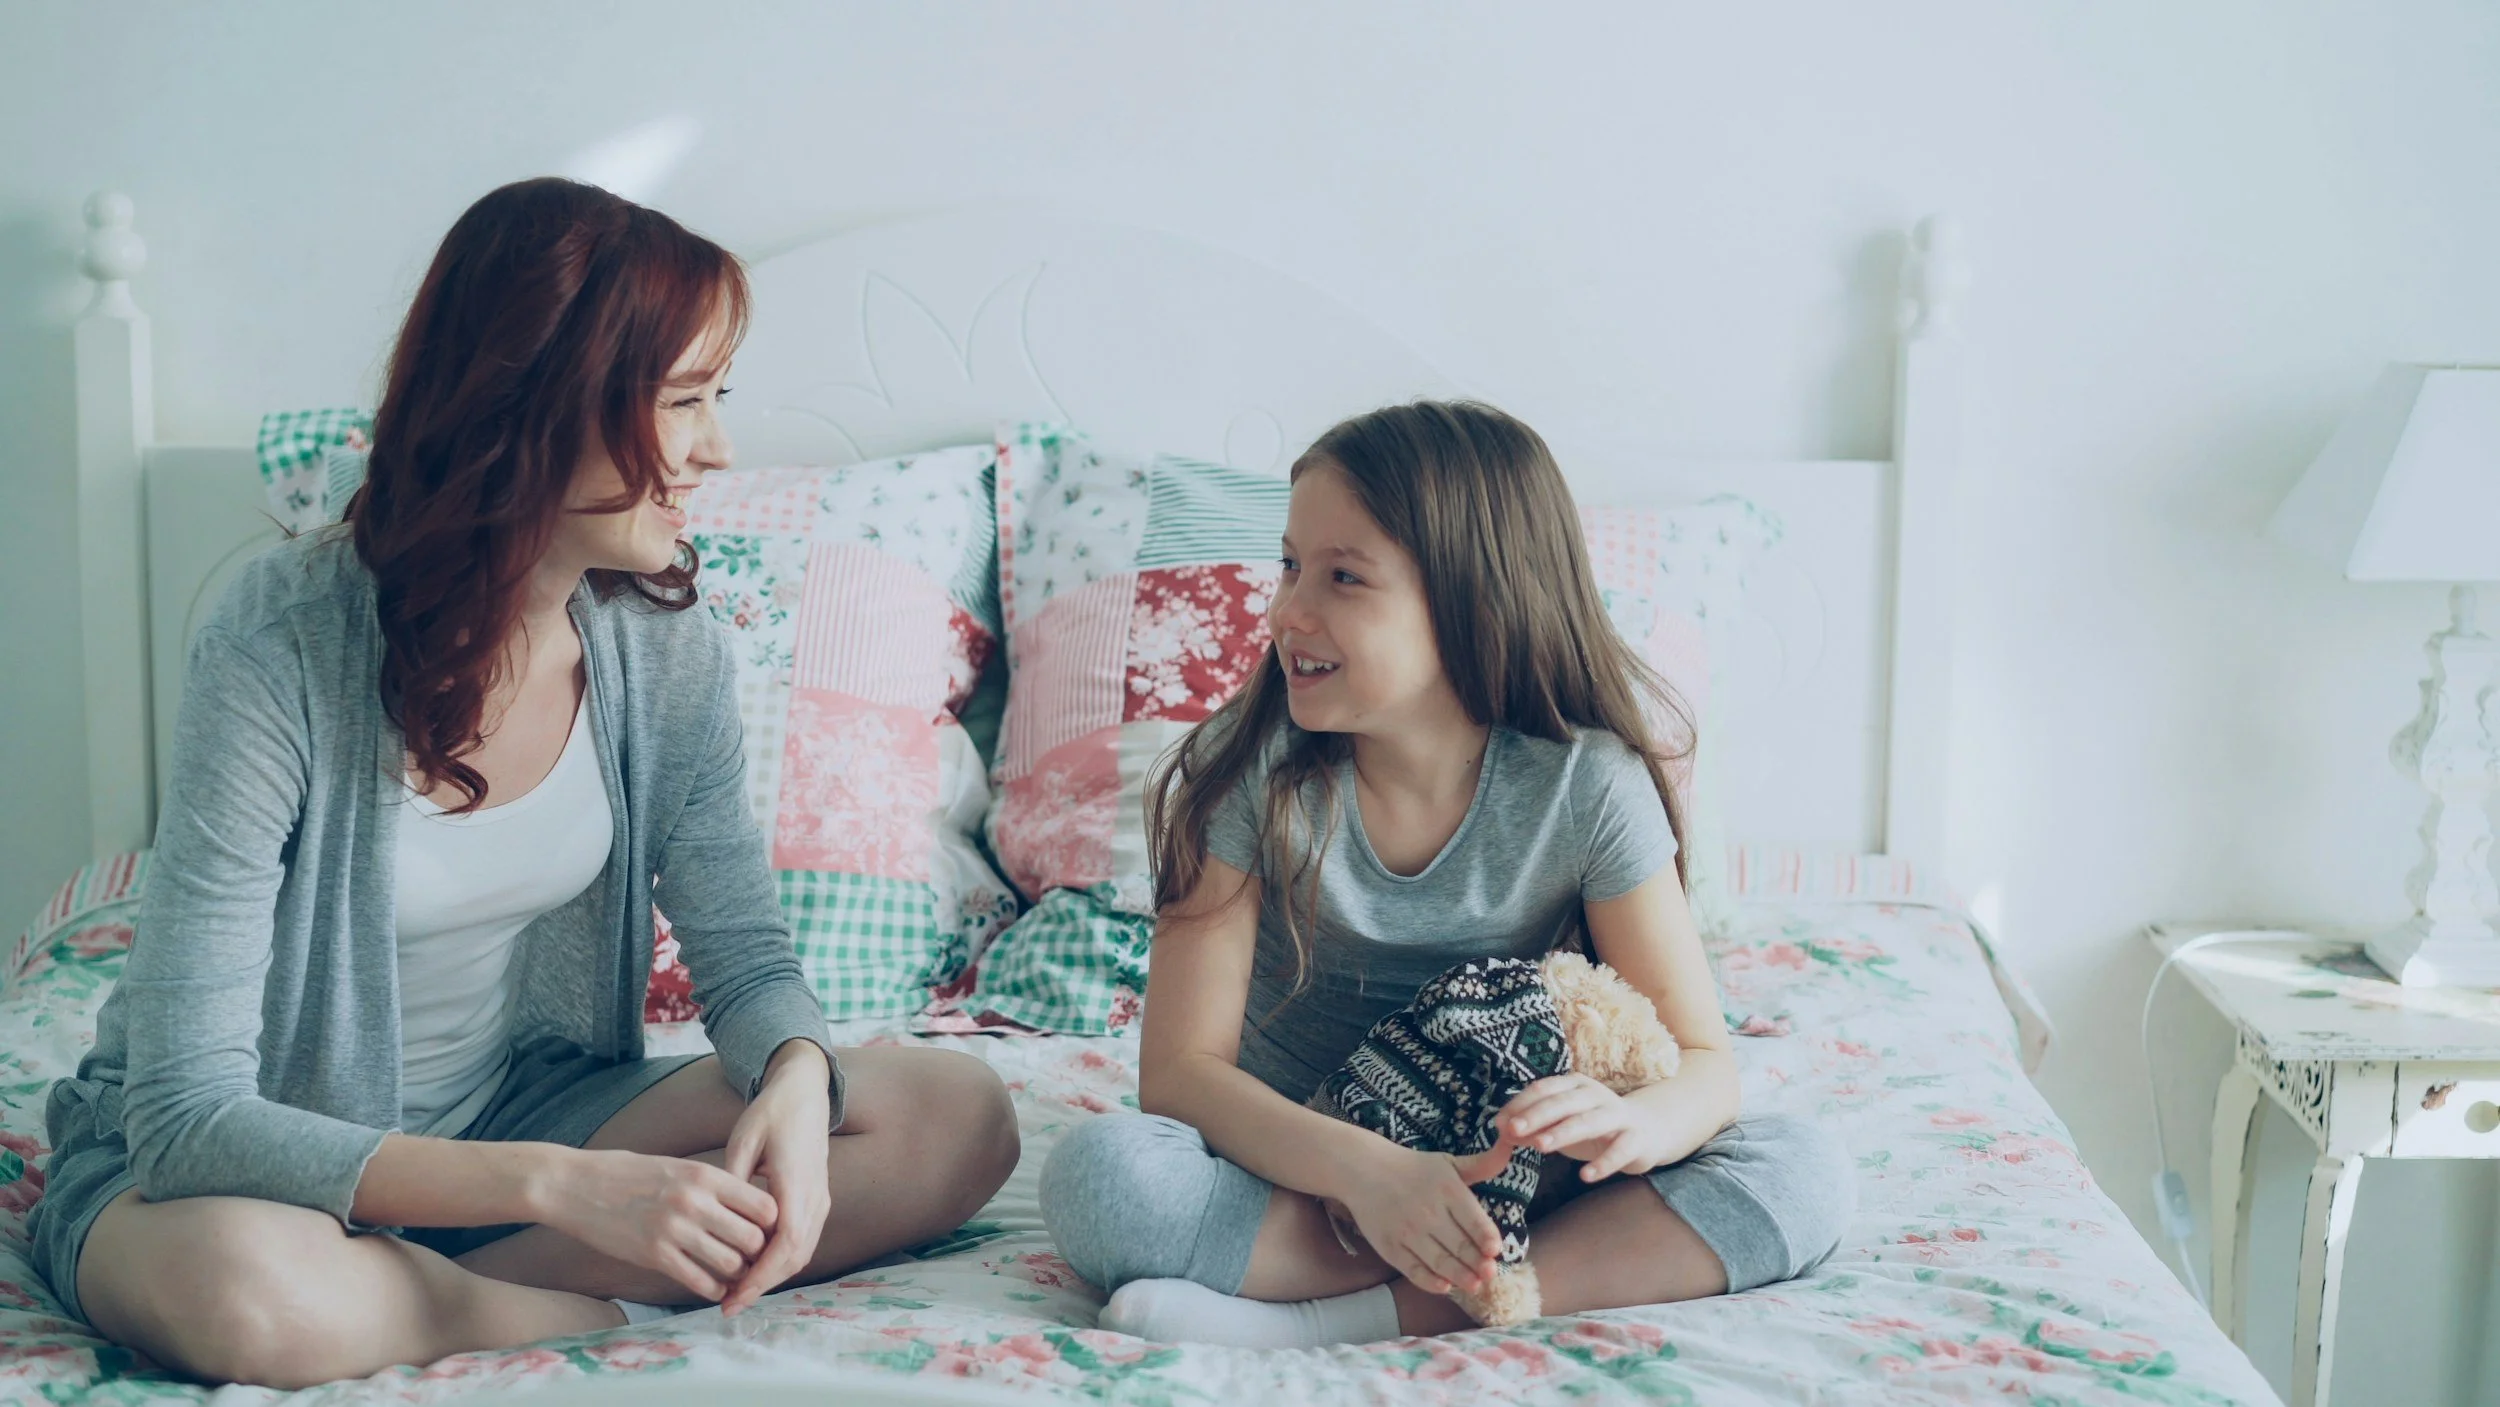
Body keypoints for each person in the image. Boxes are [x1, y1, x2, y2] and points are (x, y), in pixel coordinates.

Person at [29, 178, 1019, 1388]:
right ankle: (562, 1304)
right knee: (244, 1291)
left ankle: (437, 1295)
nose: (716, 449)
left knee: (952, 1116)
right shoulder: (280, 638)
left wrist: (800, 1083)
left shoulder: (665, 646)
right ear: (542, 406)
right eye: (684, 403)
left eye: (719, 399)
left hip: (516, 1106)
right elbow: (187, 1118)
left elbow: (748, 962)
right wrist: (568, 1191)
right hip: (247, 1165)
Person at [1039, 401, 1854, 1347]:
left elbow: (1706, 1065)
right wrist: (1366, 1173)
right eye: (1291, 565)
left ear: (1475, 601)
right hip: (1308, 1169)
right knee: (1104, 1177)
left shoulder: (1585, 784)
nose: (1286, 610)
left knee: (1802, 1170)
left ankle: (1333, 1324)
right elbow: (1180, 1075)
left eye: (1344, 576)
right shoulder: (1250, 770)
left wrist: (1639, 1124)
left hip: (1523, 1186)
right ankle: (1442, 1281)